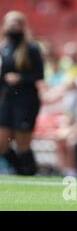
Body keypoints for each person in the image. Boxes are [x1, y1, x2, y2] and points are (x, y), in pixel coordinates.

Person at [0, 11, 44, 175]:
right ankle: (20, 170)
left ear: (22, 26)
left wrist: (20, 78)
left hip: (26, 100)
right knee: (2, 143)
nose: (12, 28)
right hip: (7, 100)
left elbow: (40, 75)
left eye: (16, 25)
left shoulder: (31, 48)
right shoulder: (4, 49)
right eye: (9, 24)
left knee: (22, 143)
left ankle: (30, 174)